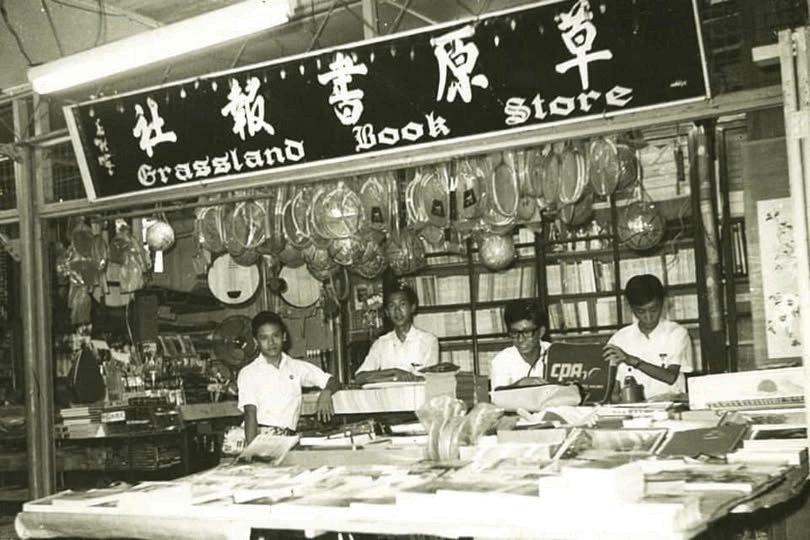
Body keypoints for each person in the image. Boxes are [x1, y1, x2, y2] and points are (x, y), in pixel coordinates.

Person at [237, 311, 341, 446]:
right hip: (258, 439)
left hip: (287, 439)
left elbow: (332, 381)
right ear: (256, 341)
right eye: (264, 338)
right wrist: (252, 452)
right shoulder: (248, 373)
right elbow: (250, 414)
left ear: (284, 336)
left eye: (276, 335)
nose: (271, 342)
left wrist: (326, 393)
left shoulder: (295, 367)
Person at [602, 274, 694, 400]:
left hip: (671, 406)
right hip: (633, 410)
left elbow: (670, 377)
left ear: (663, 303)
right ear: (630, 308)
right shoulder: (619, 339)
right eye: (640, 311)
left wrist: (633, 361)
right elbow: (613, 388)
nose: (648, 317)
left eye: (654, 309)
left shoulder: (676, 333)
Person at [354, 283, 439, 385]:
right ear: (387, 312)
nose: (397, 311)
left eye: (402, 304)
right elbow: (360, 377)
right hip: (387, 399)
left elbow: (432, 379)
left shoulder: (429, 341)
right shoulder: (381, 343)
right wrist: (393, 373)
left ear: (412, 307)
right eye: (392, 306)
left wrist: (391, 377)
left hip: (417, 399)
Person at [490, 299, 552, 390]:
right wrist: (518, 385)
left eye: (527, 332)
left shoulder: (555, 352)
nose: (520, 339)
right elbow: (497, 398)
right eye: (515, 333)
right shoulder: (502, 360)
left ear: (541, 332)